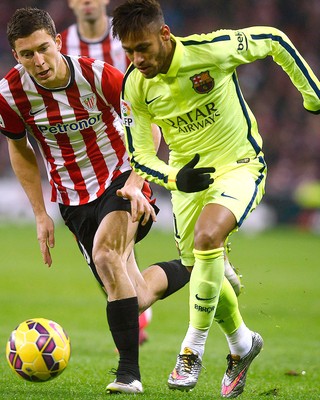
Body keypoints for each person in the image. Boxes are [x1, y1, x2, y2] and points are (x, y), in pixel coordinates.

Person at [112, 0, 320, 398]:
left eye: (143, 48)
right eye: (129, 51)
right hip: (188, 182)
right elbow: (138, 155)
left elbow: (274, 40)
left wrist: (312, 94)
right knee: (200, 267)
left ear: (165, 35)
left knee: (207, 241)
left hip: (239, 164)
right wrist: (176, 177)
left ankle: (191, 350)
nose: (137, 59)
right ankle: (243, 344)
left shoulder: (212, 50)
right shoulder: (135, 86)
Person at [0, 7, 193, 395]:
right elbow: (19, 149)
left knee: (106, 255)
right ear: (15, 56)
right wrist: (40, 213)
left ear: (57, 42)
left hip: (121, 180)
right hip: (73, 200)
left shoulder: (99, 75)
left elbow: (148, 128)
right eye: (26, 55)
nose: (38, 61)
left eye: (43, 49)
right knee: (134, 297)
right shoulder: (10, 93)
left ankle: (128, 374)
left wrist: (138, 181)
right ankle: (203, 263)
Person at [60, 0, 151, 346]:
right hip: (87, 165)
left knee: (109, 250)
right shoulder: (59, 46)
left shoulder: (125, 39)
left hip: (132, 148)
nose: (86, 2)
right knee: (102, 254)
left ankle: (205, 262)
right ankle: (138, 302)